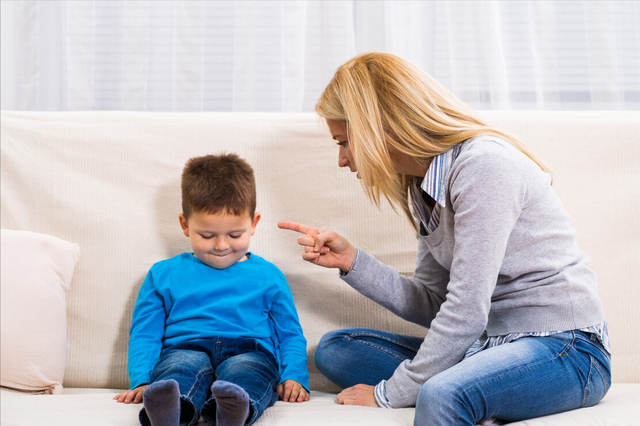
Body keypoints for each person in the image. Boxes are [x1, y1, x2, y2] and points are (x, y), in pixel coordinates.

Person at [278, 52, 610, 426]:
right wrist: (353, 262)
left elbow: (466, 311)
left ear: (376, 128)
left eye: (343, 142)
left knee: (441, 394)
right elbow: (435, 303)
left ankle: (472, 391)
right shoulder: (424, 184)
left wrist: (390, 394)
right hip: (486, 344)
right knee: (335, 350)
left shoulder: (484, 165)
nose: (342, 159)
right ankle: (483, 390)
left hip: (564, 349)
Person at [115, 153, 310, 426]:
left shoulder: (269, 276)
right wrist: (143, 379)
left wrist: (294, 375)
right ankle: (169, 411)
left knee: (248, 372)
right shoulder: (162, 275)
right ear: (185, 224)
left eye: (234, 234)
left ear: (253, 223)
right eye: (207, 235)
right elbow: (145, 333)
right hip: (185, 348)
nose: (221, 245)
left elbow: (289, 334)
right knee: (179, 369)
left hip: (249, 351)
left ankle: (233, 410)